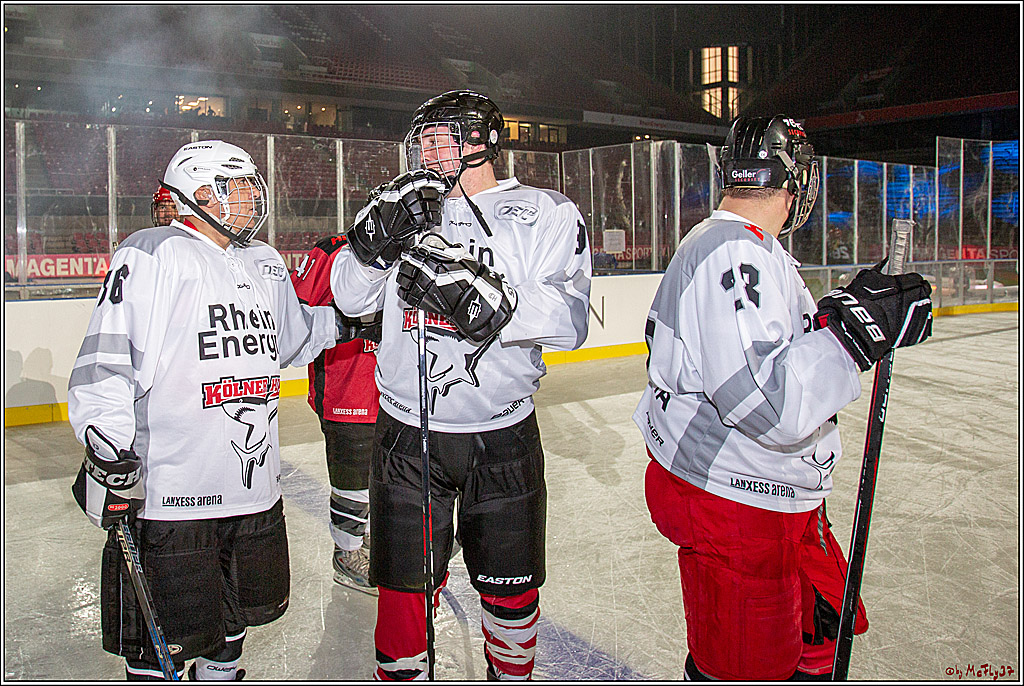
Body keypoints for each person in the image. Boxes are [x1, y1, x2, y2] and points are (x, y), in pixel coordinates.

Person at [634, 116, 933, 680]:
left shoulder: (751, 247)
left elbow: (772, 349)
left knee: (820, 632)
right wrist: (852, 336)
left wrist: (842, 315)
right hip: (736, 498)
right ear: (799, 181)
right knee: (746, 667)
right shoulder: (731, 251)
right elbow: (764, 407)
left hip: (772, 493)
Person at [331, 90, 593, 680]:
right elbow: (349, 297)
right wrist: (372, 246)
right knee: (403, 588)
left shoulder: (544, 211)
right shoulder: (406, 207)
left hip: (501, 435)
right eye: (420, 139)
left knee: (512, 593)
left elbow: (571, 320)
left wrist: (492, 306)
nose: (426, 150)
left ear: (482, 140)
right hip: (407, 436)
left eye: (440, 137)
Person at [68, 140, 341, 681]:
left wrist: (355, 320)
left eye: (249, 186)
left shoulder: (263, 262)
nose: (246, 197)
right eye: (231, 186)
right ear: (194, 194)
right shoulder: (154, 252)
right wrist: (109, 445)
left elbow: (294, 338)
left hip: (254, 492)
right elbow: (107, 361)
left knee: (230, 630)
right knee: (160, 642)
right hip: (174, 498)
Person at [291, 233, 382, 593]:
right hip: (346, 390)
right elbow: (295, 313)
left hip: (393, 393)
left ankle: (365, 539)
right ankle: (346, 555)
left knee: (380, 479)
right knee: (352, 483)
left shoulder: (416, 244)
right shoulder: (332, 249)